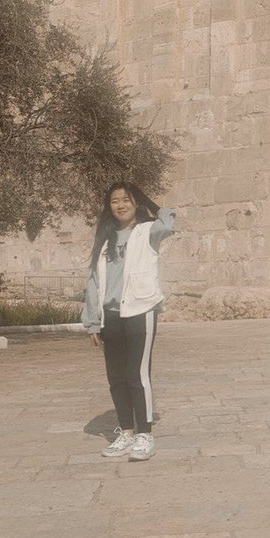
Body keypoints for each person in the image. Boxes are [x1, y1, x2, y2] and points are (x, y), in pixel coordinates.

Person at [81, 182, 176, 461]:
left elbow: (168, 221)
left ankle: (145, 434)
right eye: (114, 201)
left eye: (126, 199)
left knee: (138, 374)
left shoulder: (148, 231)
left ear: (136, 203)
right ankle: (126, 432)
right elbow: (93, 281)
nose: (120, 205)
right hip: (110, 315)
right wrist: (92, 322)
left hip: (140, 310)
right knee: (117, 378)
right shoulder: (104, 239)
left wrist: (147, 200)